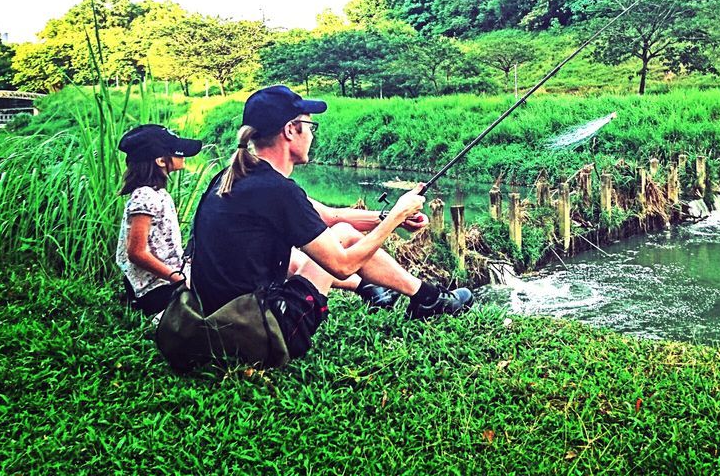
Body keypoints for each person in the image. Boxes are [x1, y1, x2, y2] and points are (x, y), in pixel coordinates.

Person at [188, 85, 473, 358]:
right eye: (310, 127)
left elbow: (327, 216)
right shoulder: (277, 190)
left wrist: (388, 218)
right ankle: (429, 298)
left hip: (219, 322)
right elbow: (343, 265)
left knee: (341, 231)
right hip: (258, 334)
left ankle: (426, 297)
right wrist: (396, 215)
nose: (312, 136)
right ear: (290, 130)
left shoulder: (235, 176)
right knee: (341, 240)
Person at [116, 124, 203, 315]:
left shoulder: (157, 193)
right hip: (155, 289)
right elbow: (136, 252)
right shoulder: (145, 196)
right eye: (177, 151)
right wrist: (177, 279)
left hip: (166, 280)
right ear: (161, 160)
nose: (183, 156)